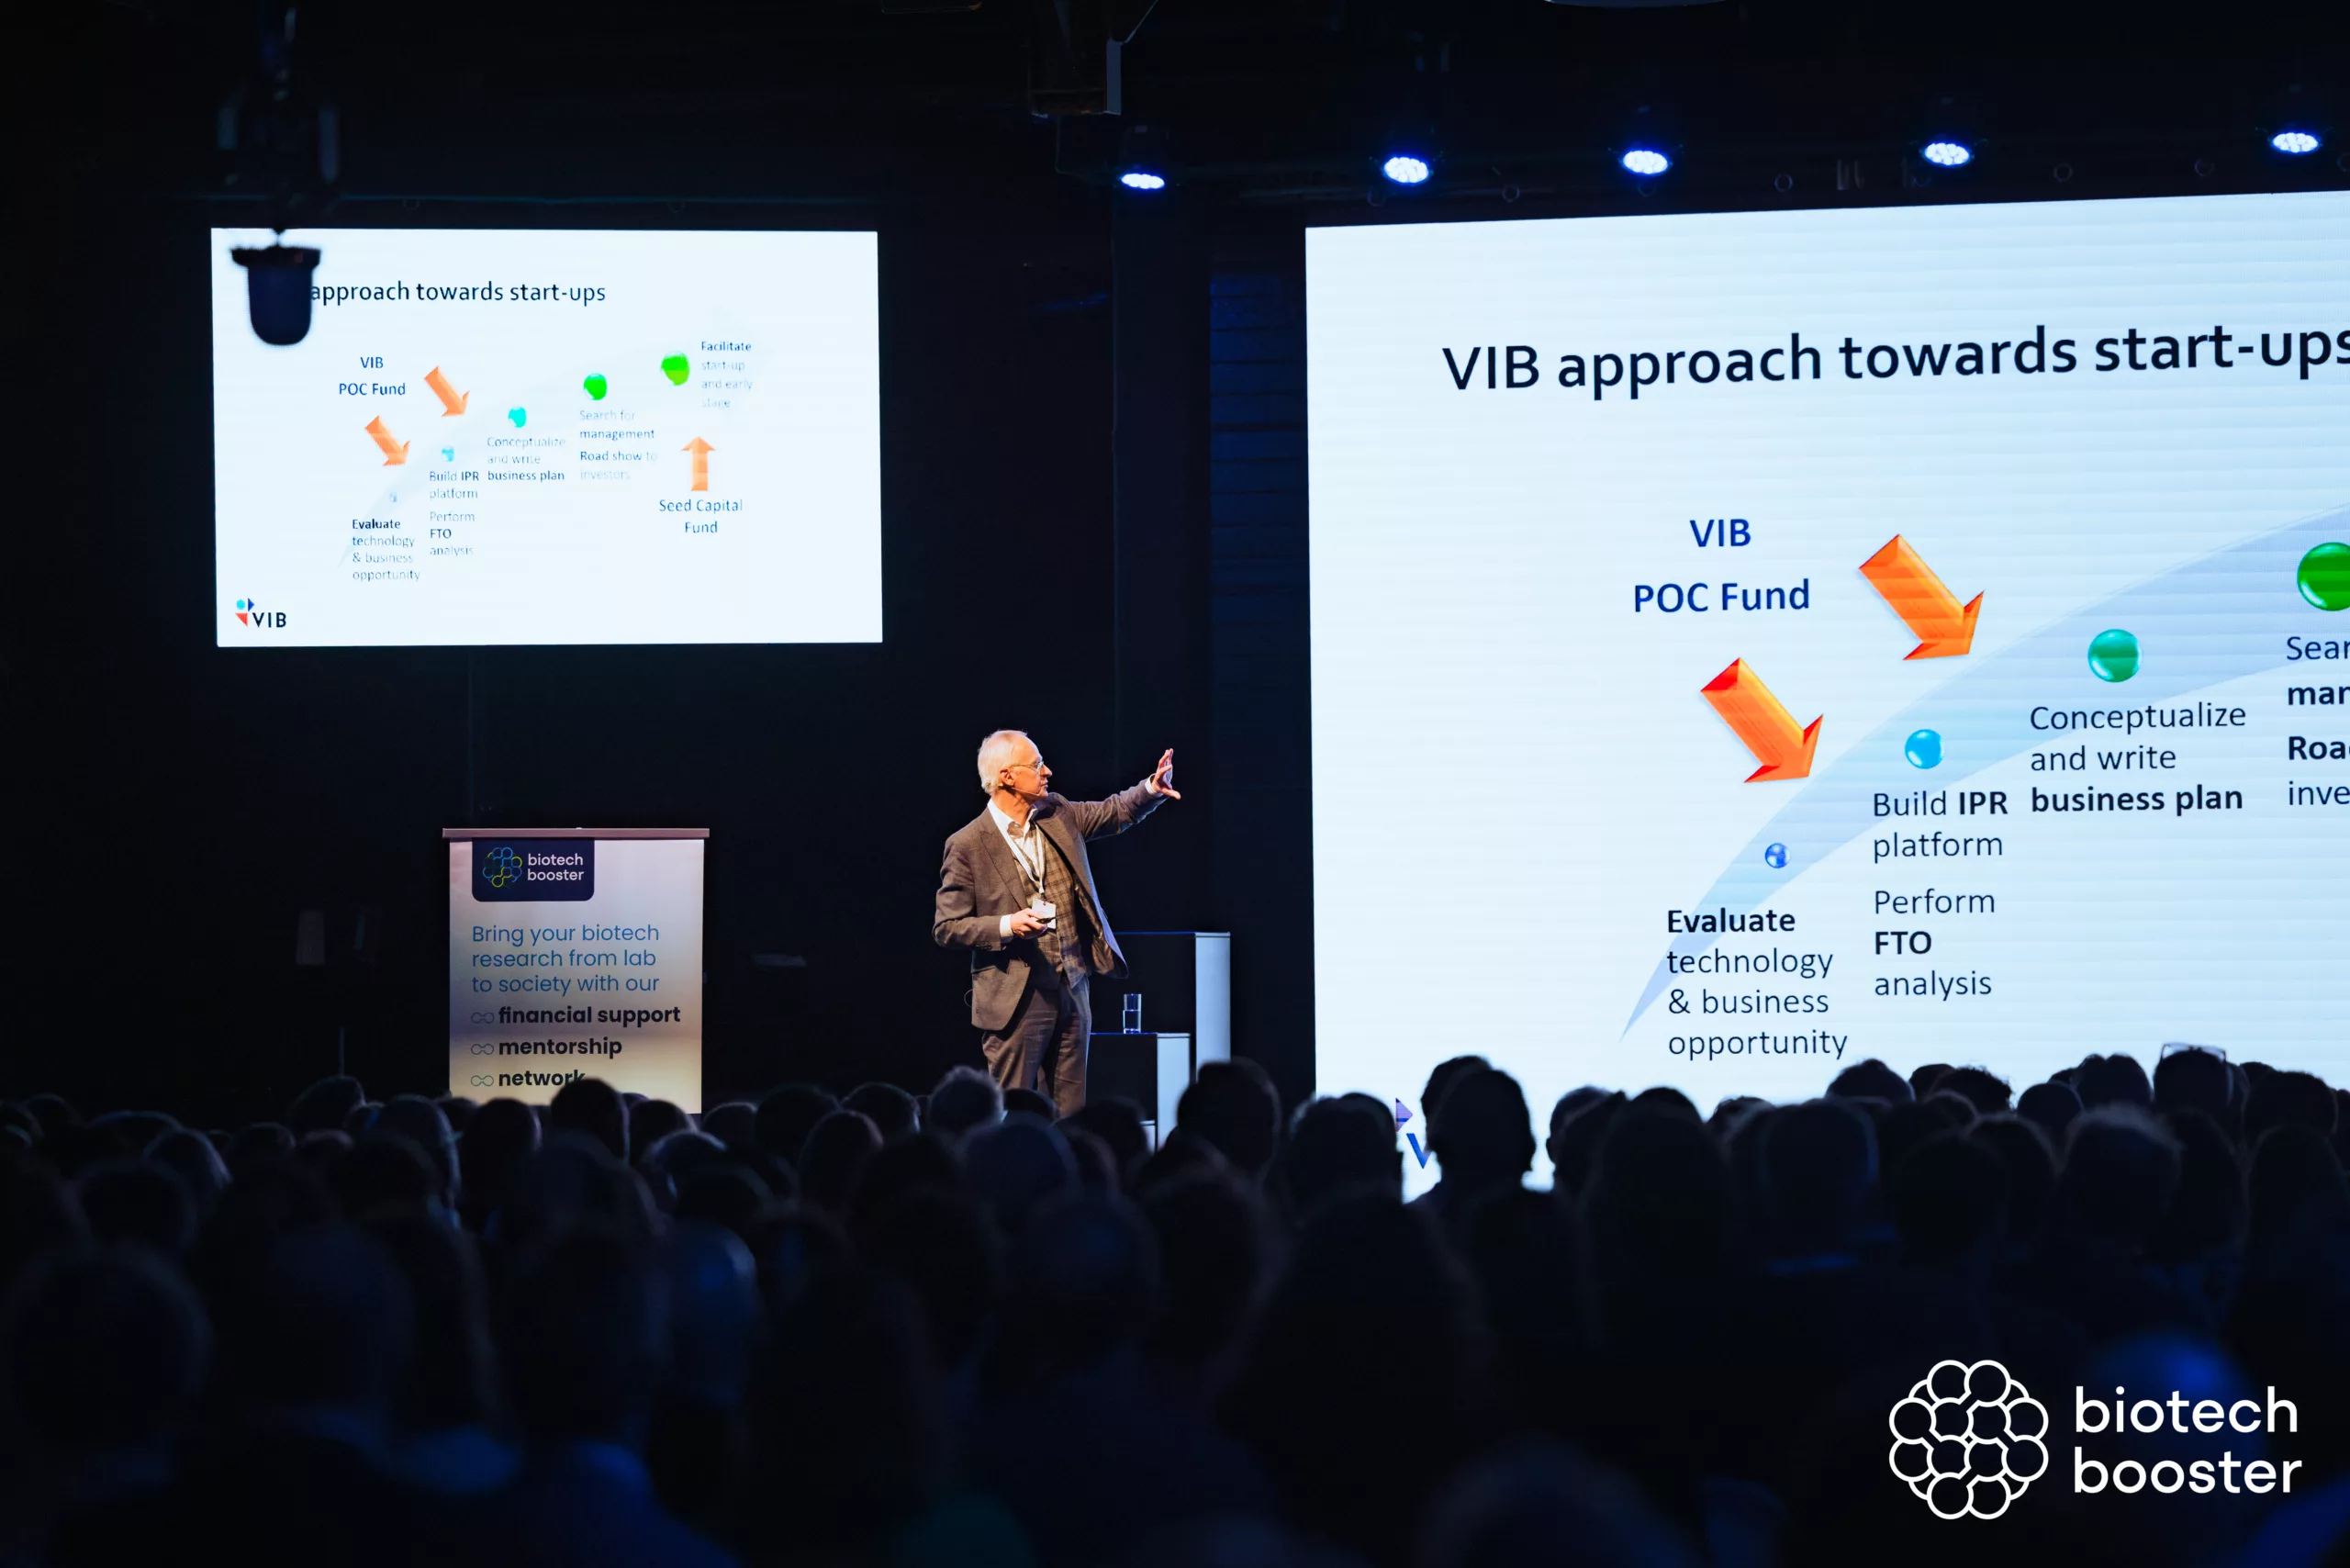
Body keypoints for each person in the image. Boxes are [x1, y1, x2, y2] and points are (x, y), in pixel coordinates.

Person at [933, 732, 1181, 1116]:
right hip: (1017, 997)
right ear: (1007, 777)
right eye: (1036, 765)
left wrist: (1151, 789)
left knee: (1071, 1114)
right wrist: (1007, 925)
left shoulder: (1057, 813)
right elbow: (948, 927)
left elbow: (1112, 811)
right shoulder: (968, 844)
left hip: (1073, 986)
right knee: (1010, 1111)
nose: (1047, 771)